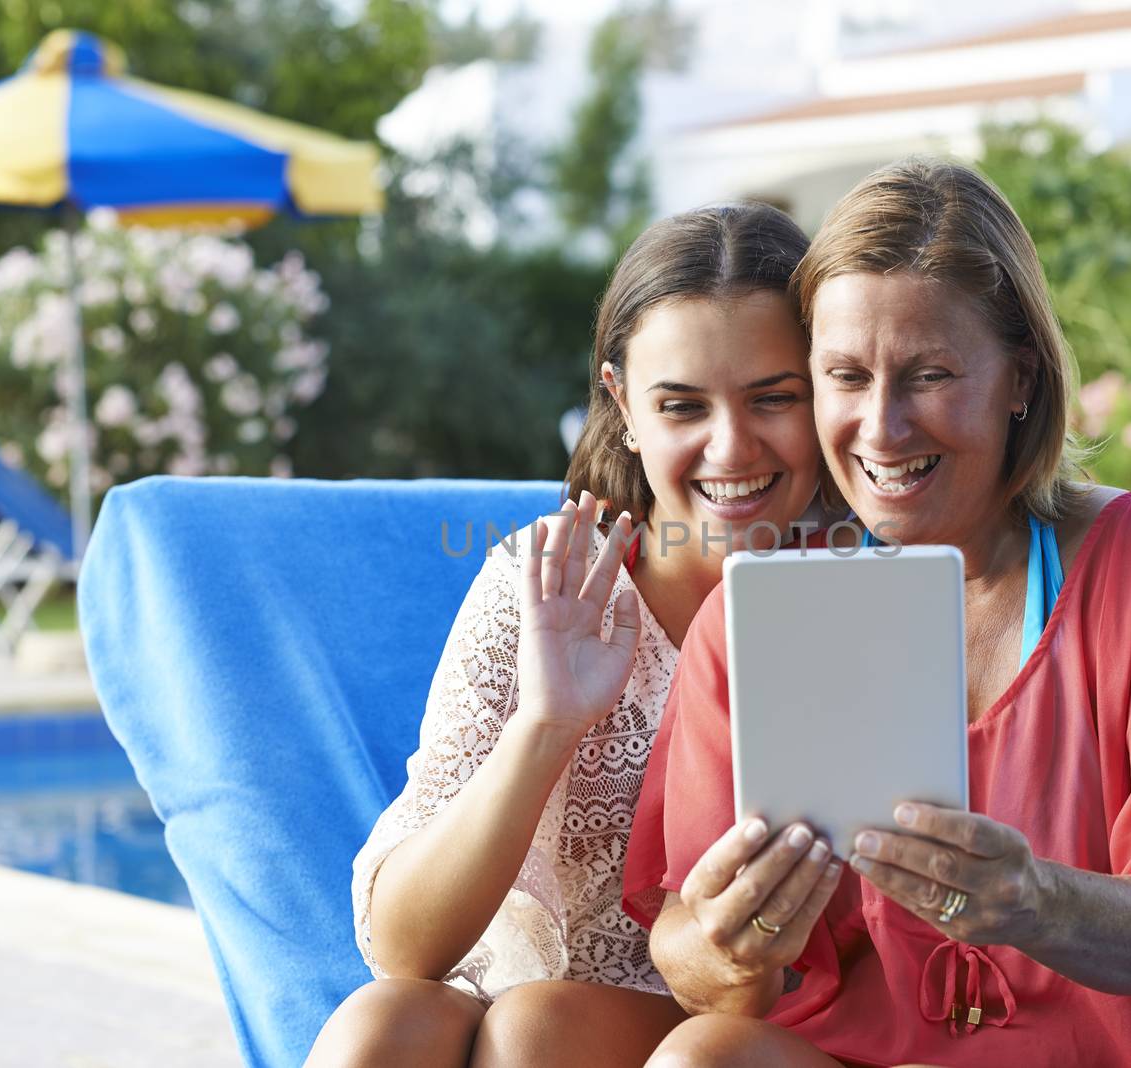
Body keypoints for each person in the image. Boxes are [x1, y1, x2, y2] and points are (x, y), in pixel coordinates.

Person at [622, 159, 1131, 1068]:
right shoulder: (759, 616)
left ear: (1021, 380)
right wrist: (726, 941)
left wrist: (1034, 900)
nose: (880, 428)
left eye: (929, 375)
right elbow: (685, 957)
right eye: (844, 377)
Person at [305, 202, 832, 1068]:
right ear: (623, 402)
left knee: (533, 1033)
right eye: (682, 405)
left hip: (744, 1025)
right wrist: (546, 724)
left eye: (774, 398)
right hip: (523, 1006)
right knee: (383, 1028)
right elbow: (403, 951)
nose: (731, 447)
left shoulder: (859, 595)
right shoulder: (540, 584)